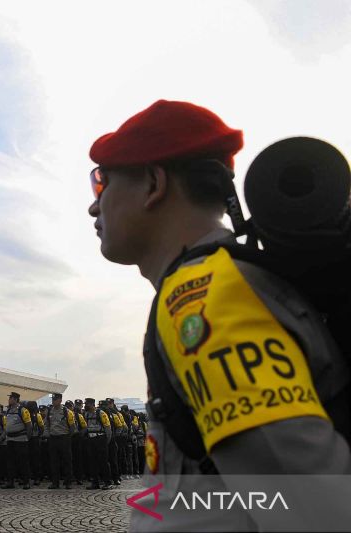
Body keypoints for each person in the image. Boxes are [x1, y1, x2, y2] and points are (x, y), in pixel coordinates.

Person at [88, 100, 351, 530]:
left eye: (102, 182)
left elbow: (315, 511)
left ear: (154, 183)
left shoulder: (208, 300)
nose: (94, 207)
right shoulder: (217, 284)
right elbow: (194, 488)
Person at [44, 393, 75, 489]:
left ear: (60, 400)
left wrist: (68, 437)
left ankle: (68, 482)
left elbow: (72, 427)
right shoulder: (49, 411)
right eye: (53, 399)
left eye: (55, 399)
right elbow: (46, 425)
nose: (53, 401)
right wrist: (48, 434)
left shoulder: (67, 411)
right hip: (53, 438)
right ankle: (55, 482)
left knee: (67, 461)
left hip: (64, 438)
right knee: (54, 461)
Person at [3, 392, 32, 489]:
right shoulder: (8, 411)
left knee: (23, 462)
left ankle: (26, 482)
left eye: (10, 398)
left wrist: (27, 438)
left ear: (15, 399)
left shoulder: (23, 410)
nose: (9, 400)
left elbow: (29, 425)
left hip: (21, 440)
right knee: (10, 462)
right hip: (10, 439)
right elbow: (6, 427)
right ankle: (10, 482)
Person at [83, 398, 111, 490]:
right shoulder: (86, 414)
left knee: (103, 462)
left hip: (100, 439)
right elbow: (87, 427)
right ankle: (95, 483)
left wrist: (106, 441)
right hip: (91, 439)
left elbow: (108, 428)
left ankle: (107, 482)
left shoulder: (101, 414)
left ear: (92, 404)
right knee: (92, 462)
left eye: (86, 404)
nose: (85, 406)